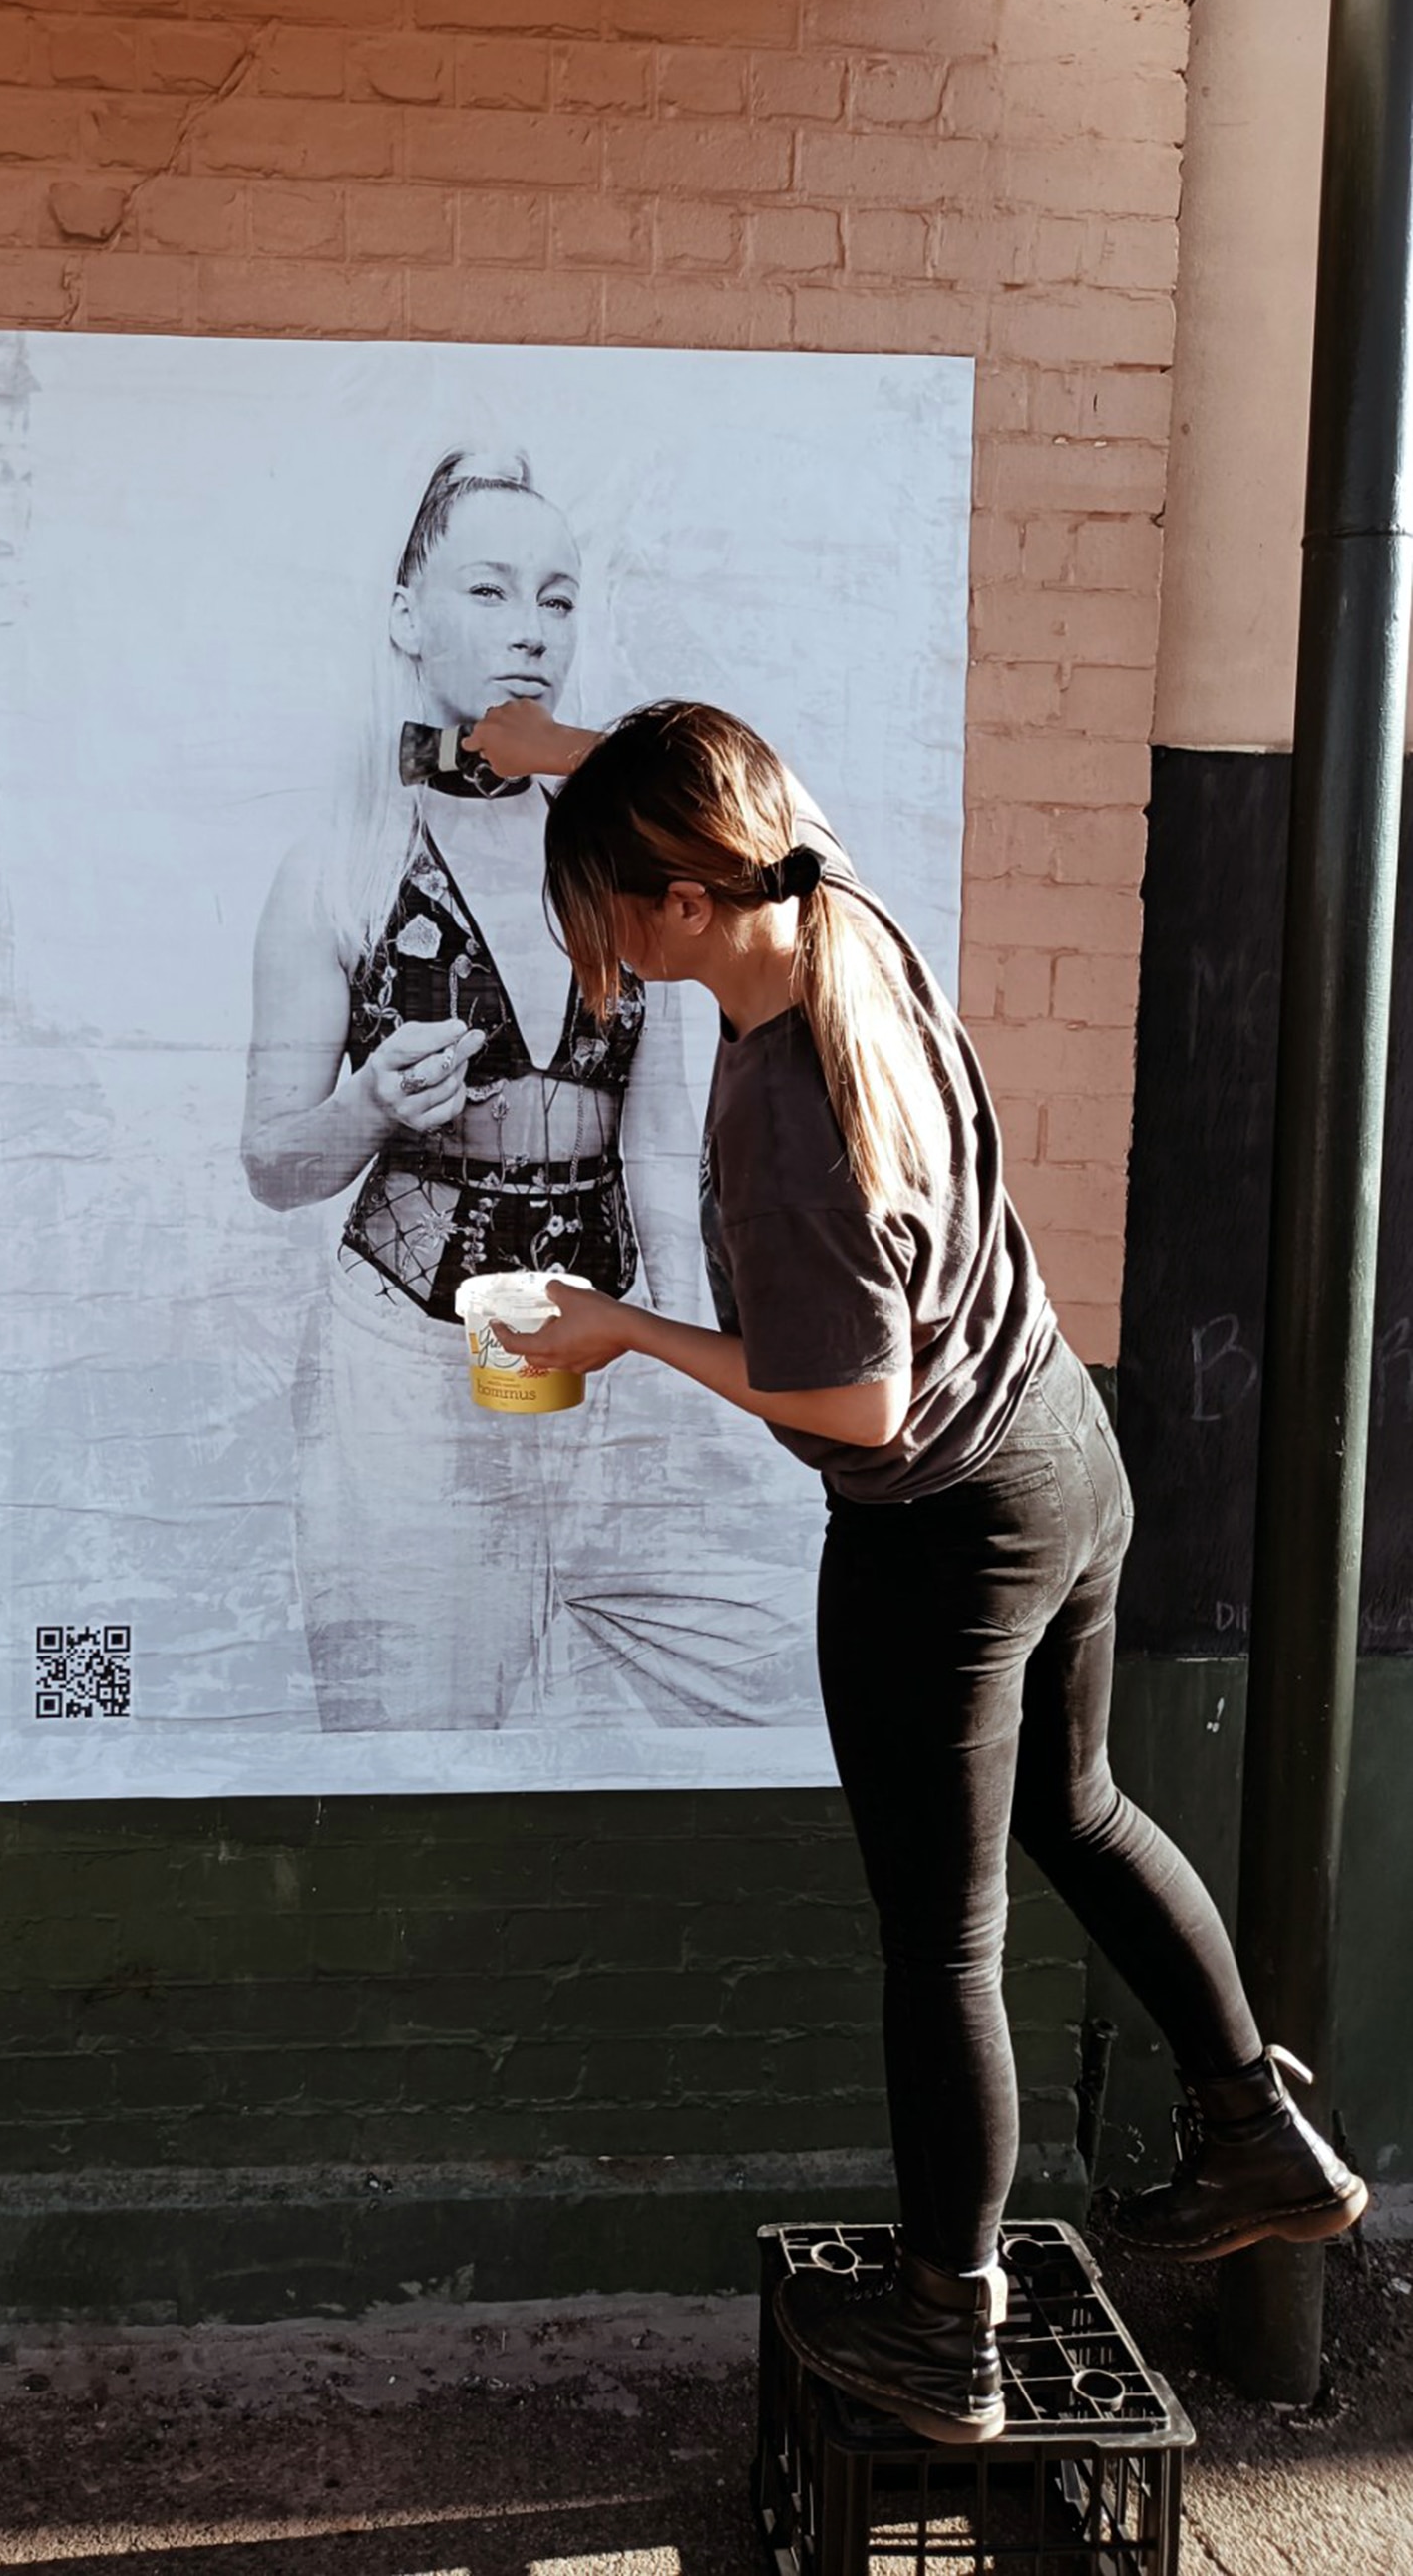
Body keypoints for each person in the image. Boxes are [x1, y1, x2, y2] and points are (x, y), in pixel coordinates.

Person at [470, 693, 1368, 2445]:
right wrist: (560, 748)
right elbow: (723, 800)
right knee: (1083, 1810)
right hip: (1059, 1452)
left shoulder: (788, 1112)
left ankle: (948, 2331)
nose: (590, 950)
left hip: (936, 1527)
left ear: (669, 903)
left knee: (943, 1942)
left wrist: (620, 1334)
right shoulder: (837, 916)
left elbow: (851, 1400)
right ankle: (1258, 2130)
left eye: (596, 913)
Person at [241, 453, 811, 1734]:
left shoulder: (624, 853)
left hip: (605, 1365)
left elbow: (661, 1145)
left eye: (556, 600)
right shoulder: (335, 865)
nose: (528, 629)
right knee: (416, 1735)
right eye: (489, 590)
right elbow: (274, 1161)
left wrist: (688, 1374)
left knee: (756, 1668)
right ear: (405, 614)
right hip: (402, 1370)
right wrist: (369, 1105)